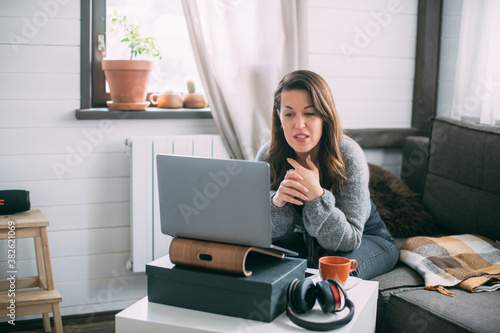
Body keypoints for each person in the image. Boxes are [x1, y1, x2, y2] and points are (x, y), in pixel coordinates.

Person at [255, 70, 399, 279]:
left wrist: (317, 197)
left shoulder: (349, 154)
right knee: (260, 262)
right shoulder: (268, 155)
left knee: (334, 271)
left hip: (365, 239)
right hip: (308, 241)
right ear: (279, 117)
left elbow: (348, 241)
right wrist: (277, 203)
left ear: (325, 116)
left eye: (310, 113)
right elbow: (260, 234)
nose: (299, 124)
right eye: (289, 114)